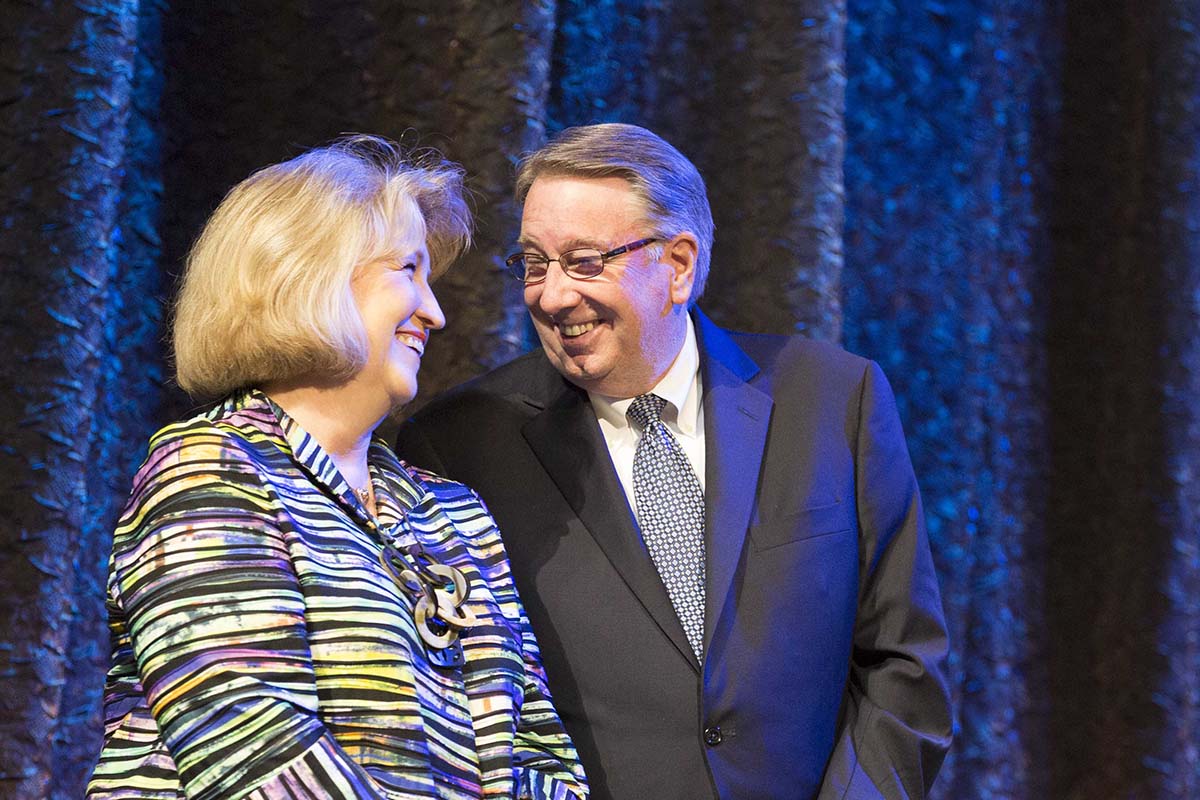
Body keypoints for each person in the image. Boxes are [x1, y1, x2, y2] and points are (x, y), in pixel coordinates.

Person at [395, 123, 954, 799]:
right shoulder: (459, 445)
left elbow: (905, 663)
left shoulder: (832, 398)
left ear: (679, 264)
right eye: (534, 264)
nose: (551, 295)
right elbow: (451, 706)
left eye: (584, 261)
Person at [87, 136, 588, 800]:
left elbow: (539, 754)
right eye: (407, 270)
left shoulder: (453, 512)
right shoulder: (210, 473)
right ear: (307, 273)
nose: (434, 312)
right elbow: (255, 752)